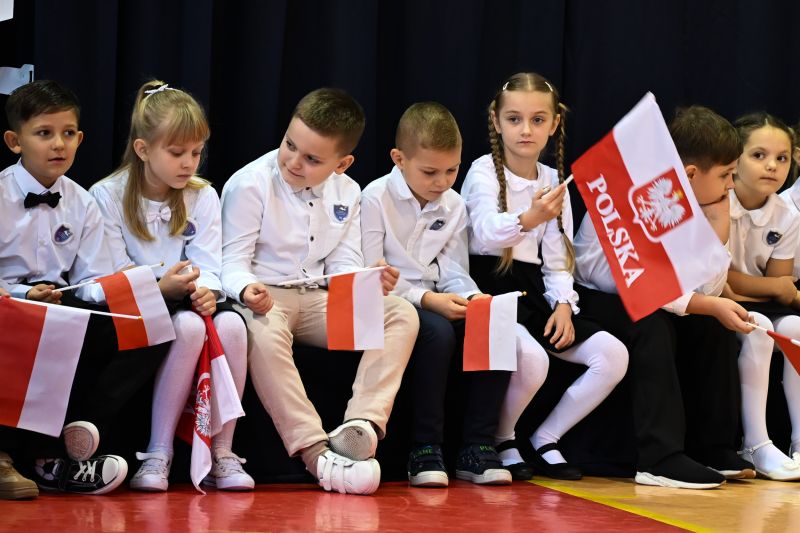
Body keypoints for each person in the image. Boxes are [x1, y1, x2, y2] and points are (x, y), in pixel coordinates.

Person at [220, 88, 419, 495]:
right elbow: (231, 261)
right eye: (290, 145)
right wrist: (246, 288)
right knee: (258, 329)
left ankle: (360, 425)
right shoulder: (249, 184)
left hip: (317, 297)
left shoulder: (348, 191)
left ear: (342, 164)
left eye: (312, 159)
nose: (294, 161)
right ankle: (314, 449)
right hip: (266, 295)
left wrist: (367, 278)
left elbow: (343, 263)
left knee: (400, 312)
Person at [361, 102, 549, 486]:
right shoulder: (374, 198)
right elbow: (370, 273)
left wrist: (473, 297)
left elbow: (453, 269)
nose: (442, 181)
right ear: (399, 159)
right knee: (437, 332)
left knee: (492, 319)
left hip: (434, 298)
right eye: (430, 172)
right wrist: (425, 299)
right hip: (390, 302)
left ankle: (477, 446)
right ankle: (424, 447)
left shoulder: (454, 205)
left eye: (452, 170)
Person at [574, 105, 758, 488]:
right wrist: (709, 304)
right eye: (725, 175)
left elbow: (705, 288)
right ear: (690, 174)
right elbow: (645, 284)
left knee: (712, 326)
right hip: (597, 297)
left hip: (653, 295)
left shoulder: (697, 199)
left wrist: (719, 228)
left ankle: (712, 448)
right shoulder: (632, 189)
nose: (731, 185)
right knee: (652, 324)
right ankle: (658, 458)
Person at [0, 80, 169, 495]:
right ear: (14, 141)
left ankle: (80, 432)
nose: (59, 144)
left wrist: (147, 287)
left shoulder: (82, 200)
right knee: (29, 320)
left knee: (150, 323)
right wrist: (23, 295)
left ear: (80, 138)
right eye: (44, 133)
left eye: (68, 133)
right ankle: (11, 457)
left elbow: (94, 278)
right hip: (9, 303)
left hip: (61, 303)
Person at [461, 72, 628, 481]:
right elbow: (484, 231)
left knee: (612, 355)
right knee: (533, 359)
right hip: (488, 288)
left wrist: (564, 305)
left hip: (533, 291)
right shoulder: (483, 172)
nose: (526, 130)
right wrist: (528, 217)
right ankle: (503, 438)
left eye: (538, 120)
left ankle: (545, 437)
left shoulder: (554, 179)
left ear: (554, 124)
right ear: (496, 121)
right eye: (514, 119)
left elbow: (556, 258)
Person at [90, 80, 253, 491]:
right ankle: (158, 452)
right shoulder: (106, 195)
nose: (189, 164)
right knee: (188, 327)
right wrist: (159, 288)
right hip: (138, 302)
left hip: (187, 295)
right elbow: (110, 271)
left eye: (196, 153)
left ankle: (223, 452)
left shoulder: (203, 195)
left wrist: (206, 289)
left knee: (234, 325)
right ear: (143, 149)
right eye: (177, 153)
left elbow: (209, 264)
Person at [726, 112, 800, 480]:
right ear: (735, 158)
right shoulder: (716, 199)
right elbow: (719, 279)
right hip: (719, 302)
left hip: (757, 303)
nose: (772, 166)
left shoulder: (787, 214)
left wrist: (767, 289)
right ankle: (755, 444)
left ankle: (798, 440)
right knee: (758, 327)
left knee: (796, 328)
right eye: (759, 155)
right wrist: (769, 288)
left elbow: (781, 285)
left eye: (781, 158)